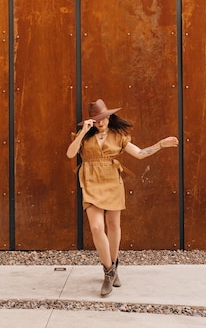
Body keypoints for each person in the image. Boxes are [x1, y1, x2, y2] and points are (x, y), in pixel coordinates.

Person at [66, 99, 178, 296]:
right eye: (96, 119)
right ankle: (109, 269)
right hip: (91, 181)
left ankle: (113, 266)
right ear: (92, 120)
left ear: (109, 117)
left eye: (103, 118)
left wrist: (160, 144)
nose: (100, 122)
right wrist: (83, 131)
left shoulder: (118, 136)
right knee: (96, 227)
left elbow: (140, 154)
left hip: (112, 181)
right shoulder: (84, 137)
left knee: (114, 226)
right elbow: (70, 154)